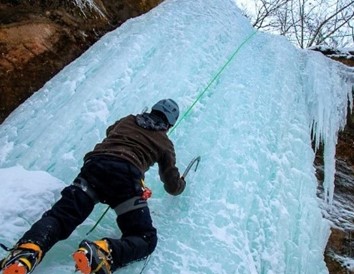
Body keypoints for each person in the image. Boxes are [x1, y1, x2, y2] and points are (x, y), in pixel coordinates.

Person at [0, 99, 186, 274]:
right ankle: (103, 251)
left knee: (61, 217)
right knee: (145, 237)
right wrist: (180, 184)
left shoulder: (128, 120)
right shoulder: (164, 143)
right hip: (125, 181)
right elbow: (172, 185)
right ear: (169, 124)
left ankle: (26, 252)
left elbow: (110, 132)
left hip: (94, 169)